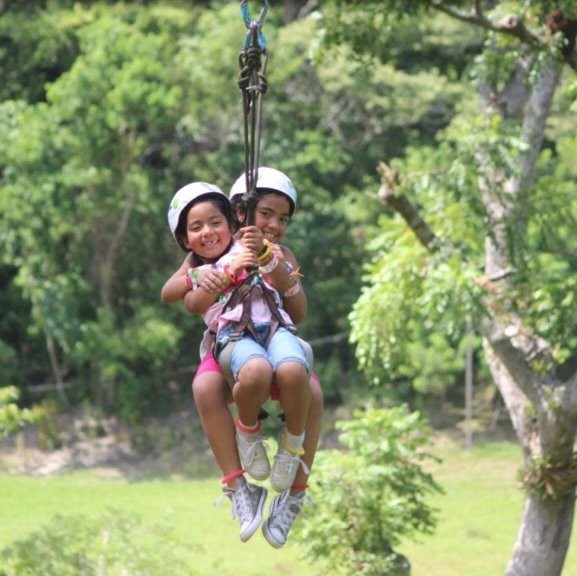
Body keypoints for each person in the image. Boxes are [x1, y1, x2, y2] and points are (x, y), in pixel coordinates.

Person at [162, 175, 320, 547]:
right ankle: (239, 485)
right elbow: (178, 295)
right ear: (241, 214)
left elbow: (298, 312)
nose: (273, 226)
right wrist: (208, 276)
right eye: (265, 214)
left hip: (275, 335)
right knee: (204, 386)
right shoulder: (208, 253)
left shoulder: (283, 255)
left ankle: (293, 487)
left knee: (311, 387)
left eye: (282, 219)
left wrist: (273, 265)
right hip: (233, 342)